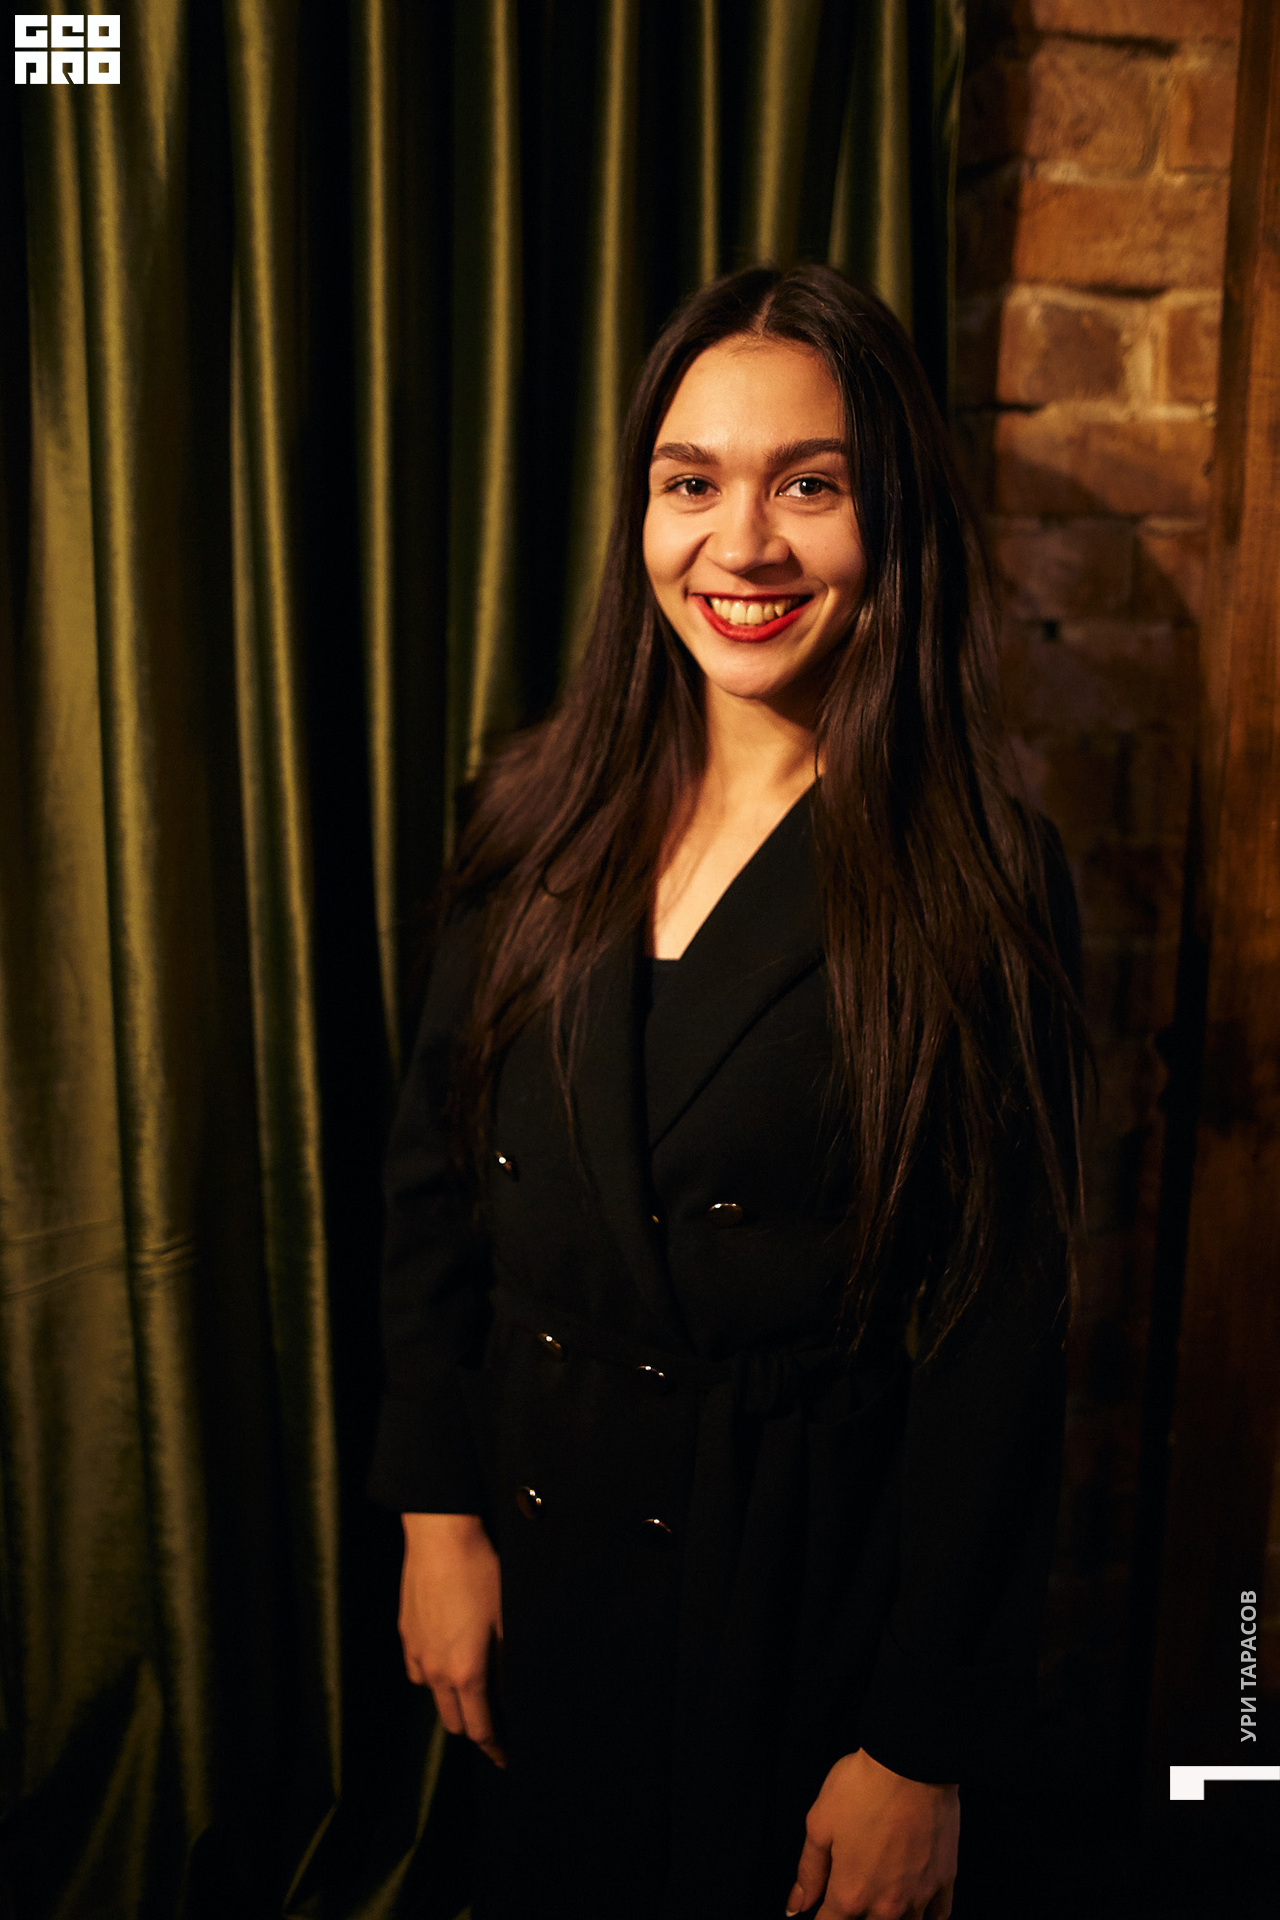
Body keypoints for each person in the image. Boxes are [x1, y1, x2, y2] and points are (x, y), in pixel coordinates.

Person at [369, 263, 1084, 1920]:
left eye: (808, 487)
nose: (739, 545)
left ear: (890, 518)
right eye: (691, 483)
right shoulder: (536, 813)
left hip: (794, 1620)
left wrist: (917, 1745)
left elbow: (1000, 1344)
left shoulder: (979, 873)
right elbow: (432, 1190)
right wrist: (436, 1512)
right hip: (540, 1563)